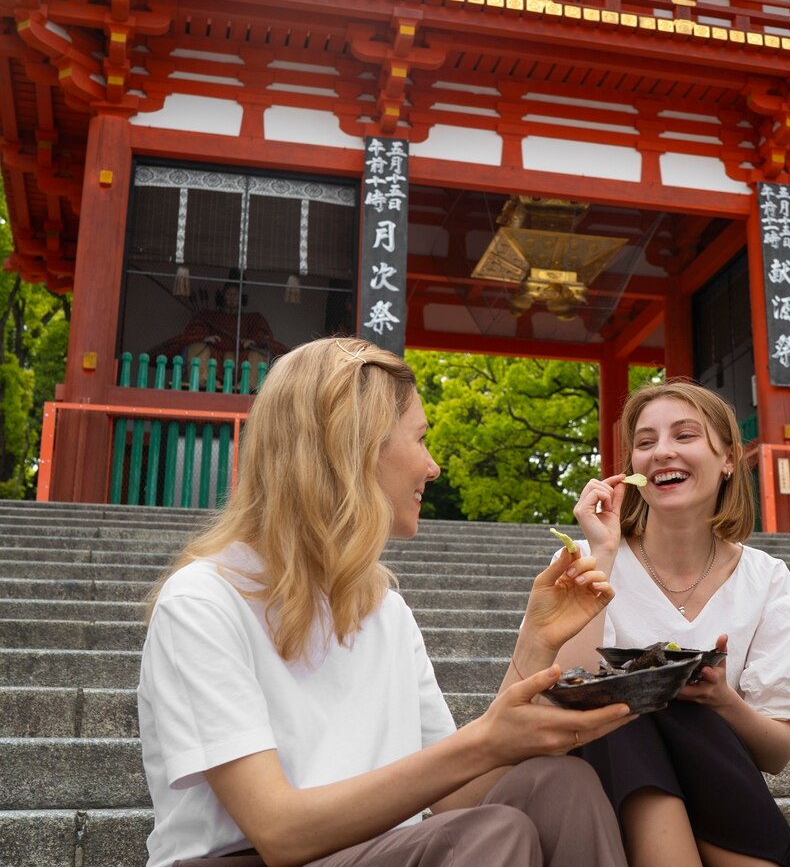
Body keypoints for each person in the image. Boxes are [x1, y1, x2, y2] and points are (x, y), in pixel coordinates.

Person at [137, 336, 636, 867]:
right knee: (488, 834)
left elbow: (454, 795)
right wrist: (486, 741)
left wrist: (538, 640)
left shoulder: (384, 609)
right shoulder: (202, 602)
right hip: (243, 859)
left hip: (381, 849)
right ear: (352, 447)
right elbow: (278, 833)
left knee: (562, 783)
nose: (433, 467)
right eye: (420, 439)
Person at [557, 380, 790, 867]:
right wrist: (604, 556)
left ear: (729, 458)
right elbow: (565, 691)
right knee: (623, 708)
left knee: (679, 709)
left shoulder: (768, 580)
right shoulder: (586, 561)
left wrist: (721, 699)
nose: (662, 453)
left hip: (724, 790)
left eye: (685, 435)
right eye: (646, 442)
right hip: (607, 793)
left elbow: (777, 754)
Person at [156, 276, 288, 378]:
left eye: (236, 294)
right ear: (222, 296)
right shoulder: (207, 316)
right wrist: (204, 337)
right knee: (197, 349)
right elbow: (195, 330)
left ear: (241, 297)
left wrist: (253, 340)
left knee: (258, 356)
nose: (232, 297)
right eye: (229, 294)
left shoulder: (253, 318)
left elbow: (262, 334)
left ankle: (247, 385)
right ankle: (203, 381)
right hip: (215, 354)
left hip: (242, 355)